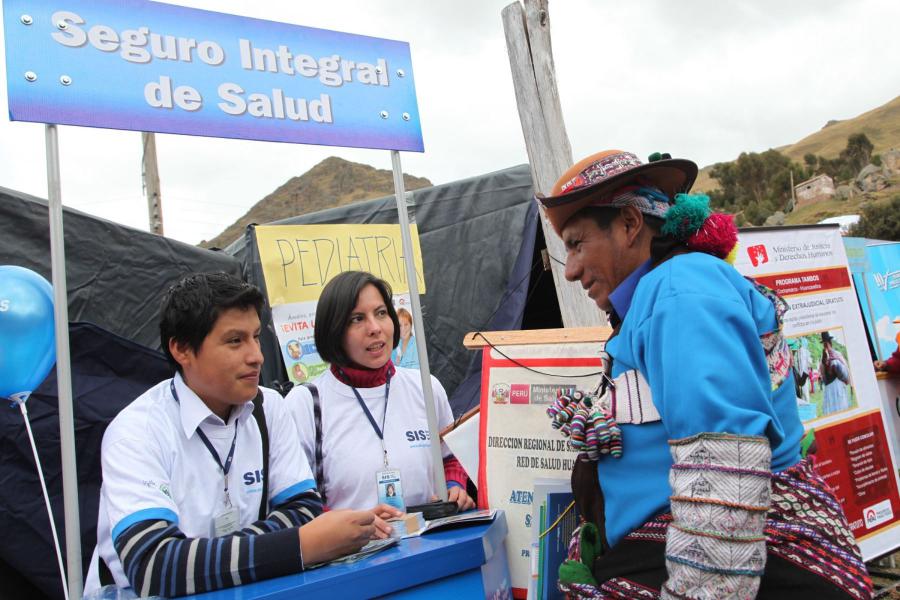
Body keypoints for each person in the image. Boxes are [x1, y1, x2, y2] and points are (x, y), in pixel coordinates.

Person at [537, 150, 872, 599]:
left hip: (751, 564)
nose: (573, 271)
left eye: (577, 244)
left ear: (630, 223)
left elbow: (725, 467)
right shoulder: (657, 300)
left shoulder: (679, 291)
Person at [83, 273, 379, 598]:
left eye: (255, 336)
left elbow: (303, 507)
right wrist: (301, 545)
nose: (257, 355)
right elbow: (155, 565)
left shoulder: (268, 408)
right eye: (235, 341)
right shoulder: (137, 432)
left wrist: (213, 556)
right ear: (182, 349)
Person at [282, 271, 475, 513]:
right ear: (333, 330)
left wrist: (454, 485)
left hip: (431, 545)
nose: (374, 328)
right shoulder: (306, 403)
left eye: (381, 313)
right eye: (356, 319)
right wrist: (350, 528)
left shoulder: (426, 387)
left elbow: (450, 457)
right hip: (351, 550)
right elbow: (294, 501)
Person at [820, 331, 851, 414]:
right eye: (825, 344)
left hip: (836, 385)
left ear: (829, 343)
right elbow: (823, 374)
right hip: (831, 385)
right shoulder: (823, 357)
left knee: (839, 406)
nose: (826, 346)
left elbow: (845, 369)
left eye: (826, 344)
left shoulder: (837, 354)